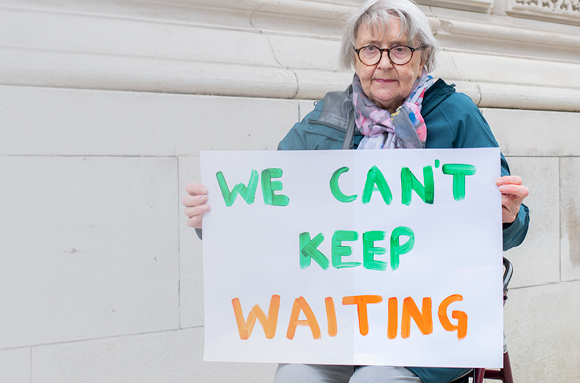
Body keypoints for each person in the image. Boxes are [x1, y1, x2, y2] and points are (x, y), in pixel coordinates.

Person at [180, 0, 530, 382]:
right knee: (296, 377)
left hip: (426, 325)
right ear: (355, 57)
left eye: (400, 49)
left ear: (423, 59)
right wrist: (216, 218)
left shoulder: (456, 115)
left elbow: (513, 228)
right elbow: (272, 207)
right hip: (337, 319)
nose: (384, 63)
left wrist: (507, 216)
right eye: (370, 50)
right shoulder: (325, 119)